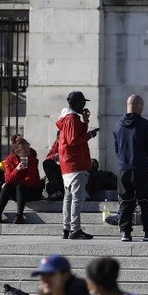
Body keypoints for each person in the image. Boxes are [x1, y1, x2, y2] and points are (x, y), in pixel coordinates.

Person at [113, 94, 148, 243]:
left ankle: (125, 233)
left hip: (122, 169)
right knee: (145, 200)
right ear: (139, 106)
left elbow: (116, 149)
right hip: (140, 167)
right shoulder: (144, 124)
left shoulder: (117, 125)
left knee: (125, 201)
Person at [57, 91, 99, 240]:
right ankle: (75, 229)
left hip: (68, 164)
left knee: (68, 198)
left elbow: (74, 136)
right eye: (82, 103)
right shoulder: (71, 119)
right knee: (77, 198)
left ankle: (66, 228)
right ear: (76, 104)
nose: (84, 105)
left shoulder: (70, 119)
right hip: (75, 164)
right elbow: (74, 140)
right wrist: (90, 135)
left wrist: (86, 121)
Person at [0, 135, 42, 224]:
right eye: (24, 151)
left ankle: (19, 215)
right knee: (7, 186)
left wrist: (17, 180)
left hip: (32, 191)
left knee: (20, 186)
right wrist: (17, 170)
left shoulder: (32, 159)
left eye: (28, 149)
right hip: (18, 191)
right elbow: (8, 180)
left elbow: (30, 180)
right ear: (17, 152)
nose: (27, 152)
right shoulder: (9, 160)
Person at [43, 130, 64, 201]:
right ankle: (56, 191)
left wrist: (63, 156)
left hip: (70, 169)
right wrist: (54, 156)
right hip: (60, 169)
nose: (60, 141)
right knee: (47, 163)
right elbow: (49, 156)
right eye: (59, 139)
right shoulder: (56, 144)